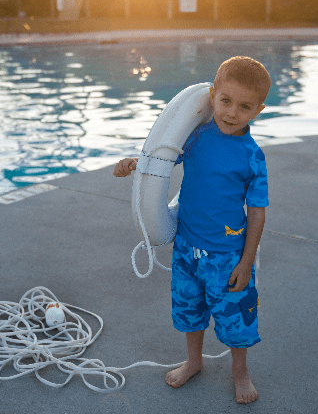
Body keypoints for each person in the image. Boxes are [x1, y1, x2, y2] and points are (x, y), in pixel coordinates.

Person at [113, 56, 270, 405]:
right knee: (189, 309)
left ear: (257, 111)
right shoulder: (197, 136)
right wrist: (135, 166)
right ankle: (194, 361)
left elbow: (257, 212)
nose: (231, 112)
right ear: (213, 95)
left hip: (227, 255)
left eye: (244, 106)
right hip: (186, 247)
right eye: (225, 101)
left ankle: (240, 372)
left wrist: (246, 262)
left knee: (235, 318)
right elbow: (163, 163)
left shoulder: (252, 156)